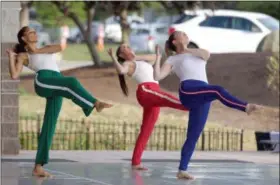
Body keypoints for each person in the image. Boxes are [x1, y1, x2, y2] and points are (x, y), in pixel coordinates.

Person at [6, 26, 113, 177]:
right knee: (72, 82)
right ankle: (95, 103)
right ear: (23, 38)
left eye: (35, 31)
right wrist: (11, 56)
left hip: (58, 81)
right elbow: (14, 75)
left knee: (49, 125)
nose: (35, 33)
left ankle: (38, 167)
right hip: (44, 80)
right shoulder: (23, 55)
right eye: (30, 32)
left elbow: (59, 47)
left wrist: (37, 51)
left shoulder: (46, 48)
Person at [153, 31, 259, 180]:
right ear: (175, 41)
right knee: (218, 90)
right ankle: (245, 107)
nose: (185, 34)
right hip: (188, 89)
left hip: (203, 93)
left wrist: (186, 48)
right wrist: (158, 58)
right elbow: (157, 77)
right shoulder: (173, 59)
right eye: (181, 34)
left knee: (193, 136)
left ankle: (182, 170)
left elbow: (206, 55)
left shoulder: (197, 53)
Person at [107, 44, 188, 170]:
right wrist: (113, 58)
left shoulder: (139, 60)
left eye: (128, 46)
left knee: (146, 131)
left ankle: (136, 162)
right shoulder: (128, 64)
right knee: (168, 98)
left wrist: (139, 56)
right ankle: (190, 105)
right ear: (121, 55)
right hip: (146, 91)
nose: (128, 48)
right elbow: (121, 71)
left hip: (154, 92)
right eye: (124, 49)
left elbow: (155, 58)